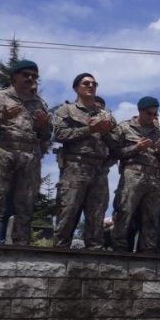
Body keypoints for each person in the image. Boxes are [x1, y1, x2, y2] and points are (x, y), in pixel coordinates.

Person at [0, 60, 52, 245]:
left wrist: (44, 126)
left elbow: (46, 135)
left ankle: (20, 242)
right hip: (3, 151)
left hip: (29, 156)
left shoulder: (39, 102)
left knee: (26, 201)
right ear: (15, 76)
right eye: (26, 74)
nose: (30, 78)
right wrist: (3, 117)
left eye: (34, 76)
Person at [51, 72, 116, 249]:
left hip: (99, 169)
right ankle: (60, 251)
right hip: (75, 167)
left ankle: (94, 254)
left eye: (94, 84)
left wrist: (105, 132)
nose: (91, 86)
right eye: (86, 83)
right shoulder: (66, 110)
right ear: (76, 88)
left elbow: (115, 144)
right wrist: (90, 129)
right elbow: (59, 134)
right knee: (68, 211)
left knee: (97, 214)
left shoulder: (106, 114)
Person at [109, 96, 160, 253]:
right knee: (125, 213)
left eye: (155, 114)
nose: (153, 117)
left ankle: (146, 252)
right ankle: (118, 250)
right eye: (149, 113)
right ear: (140, 111)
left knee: (151, 217)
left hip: (154, 179)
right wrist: (136, 148)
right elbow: (114, 152)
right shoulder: (124, 127)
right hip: (132, 175)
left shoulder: (159, 132)